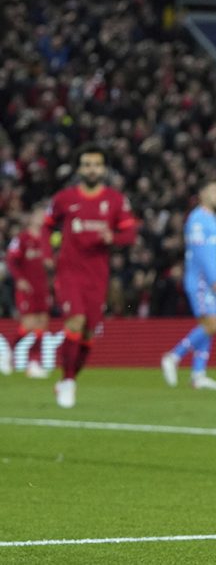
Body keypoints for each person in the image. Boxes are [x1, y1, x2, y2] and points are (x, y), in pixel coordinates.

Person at [45, 144, 137, 408]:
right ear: (79, 168)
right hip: (69, 271)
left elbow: (130, 234)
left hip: (97, 276)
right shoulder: (64, 198)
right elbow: (46, 226)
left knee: (88, 334)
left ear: (104, 169)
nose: (92, 169)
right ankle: (68, 382)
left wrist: (113, 238)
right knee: (75, 321)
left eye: (96, 164)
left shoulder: (116, 200)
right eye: (87, 164)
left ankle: (69, 379)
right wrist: (47, 254)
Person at [161, 181, 216, 390]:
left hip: (207, 280)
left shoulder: (211, 218)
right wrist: (215, 281)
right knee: (212, 325)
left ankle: (198, 374)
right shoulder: (198, 218)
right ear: (202, 193)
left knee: (207, 327)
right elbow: (201, 254)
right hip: (201, 281)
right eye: (214, 191)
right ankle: (173, 356)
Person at [2, 206, 54, 379]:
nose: (42, 218)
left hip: (42, 287)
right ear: (32, 218)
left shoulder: (46, 239)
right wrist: (19, 279)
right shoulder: (22, 239)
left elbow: (49, 261)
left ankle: (33, 364)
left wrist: (50, 265)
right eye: (39, 215)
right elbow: (11, 259)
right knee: (28, 324)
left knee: (43, 323)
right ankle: (8, 354)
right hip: (27, 287)